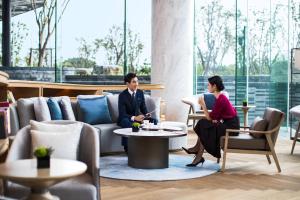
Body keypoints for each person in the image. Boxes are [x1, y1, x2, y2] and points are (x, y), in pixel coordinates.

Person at [182, 75, 240, 167]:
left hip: (231, 128)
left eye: (209, 85)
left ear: (214, 86)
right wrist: (216, 120)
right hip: (227, 124)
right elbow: (218, 116)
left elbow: (210, 117)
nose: (207, 87)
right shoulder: (220, 98)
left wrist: (203, 105)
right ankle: (198, 154)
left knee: (203, 123)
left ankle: (198, 152)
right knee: (204, 125)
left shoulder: (221, 99)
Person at [118, 73, 157, 152]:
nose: (136, 84)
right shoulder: (122, 95)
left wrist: (146, 114)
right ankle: (128, 148)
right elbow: (122, 114)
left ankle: (152, 145)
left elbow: (143, 108)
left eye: (137, 82)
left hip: (138, 118)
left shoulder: (140, 93)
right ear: (127, 84)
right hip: (127, 118)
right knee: (126, 122)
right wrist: (135, 118)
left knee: (154, 121)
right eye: (134, 82)